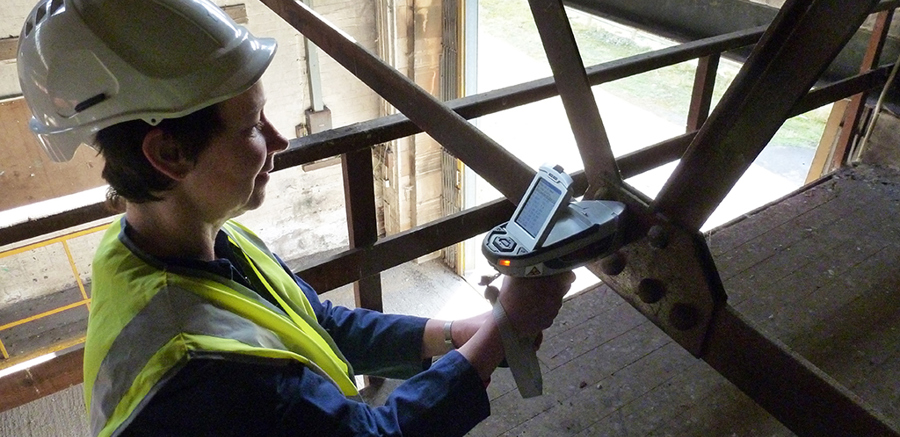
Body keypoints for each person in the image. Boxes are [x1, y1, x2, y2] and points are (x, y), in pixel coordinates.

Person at [17, 0, 575, 435]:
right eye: (254, 126)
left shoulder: (182, 242)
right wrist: (503, 330)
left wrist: (456, 334)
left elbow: (320, 327)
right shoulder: (196, 368)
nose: (281, 140)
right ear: (168, 155)